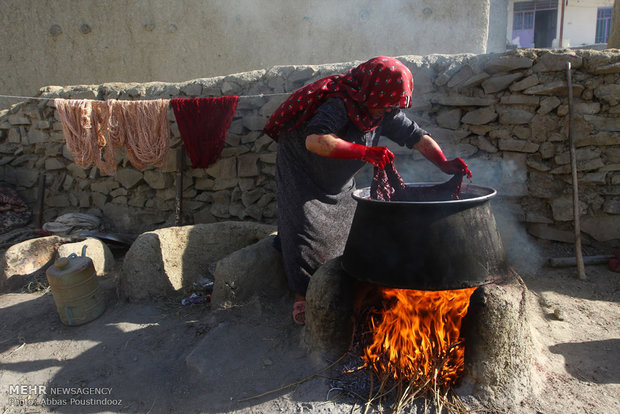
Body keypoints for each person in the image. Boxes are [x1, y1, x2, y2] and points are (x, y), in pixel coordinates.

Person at [264, 56, 471, 325]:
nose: (386, 111)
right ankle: (301, 294)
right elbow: (316, 140)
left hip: (337, 178)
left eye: (392, 107)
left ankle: (335, 278)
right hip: (302, 171)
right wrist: (365, 152)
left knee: (345, 229)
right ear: (370, 91)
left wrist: (443, 163)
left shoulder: (384, 110)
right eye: (383, 105)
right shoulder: (339, 103)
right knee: (304, 228)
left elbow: (417, 137)